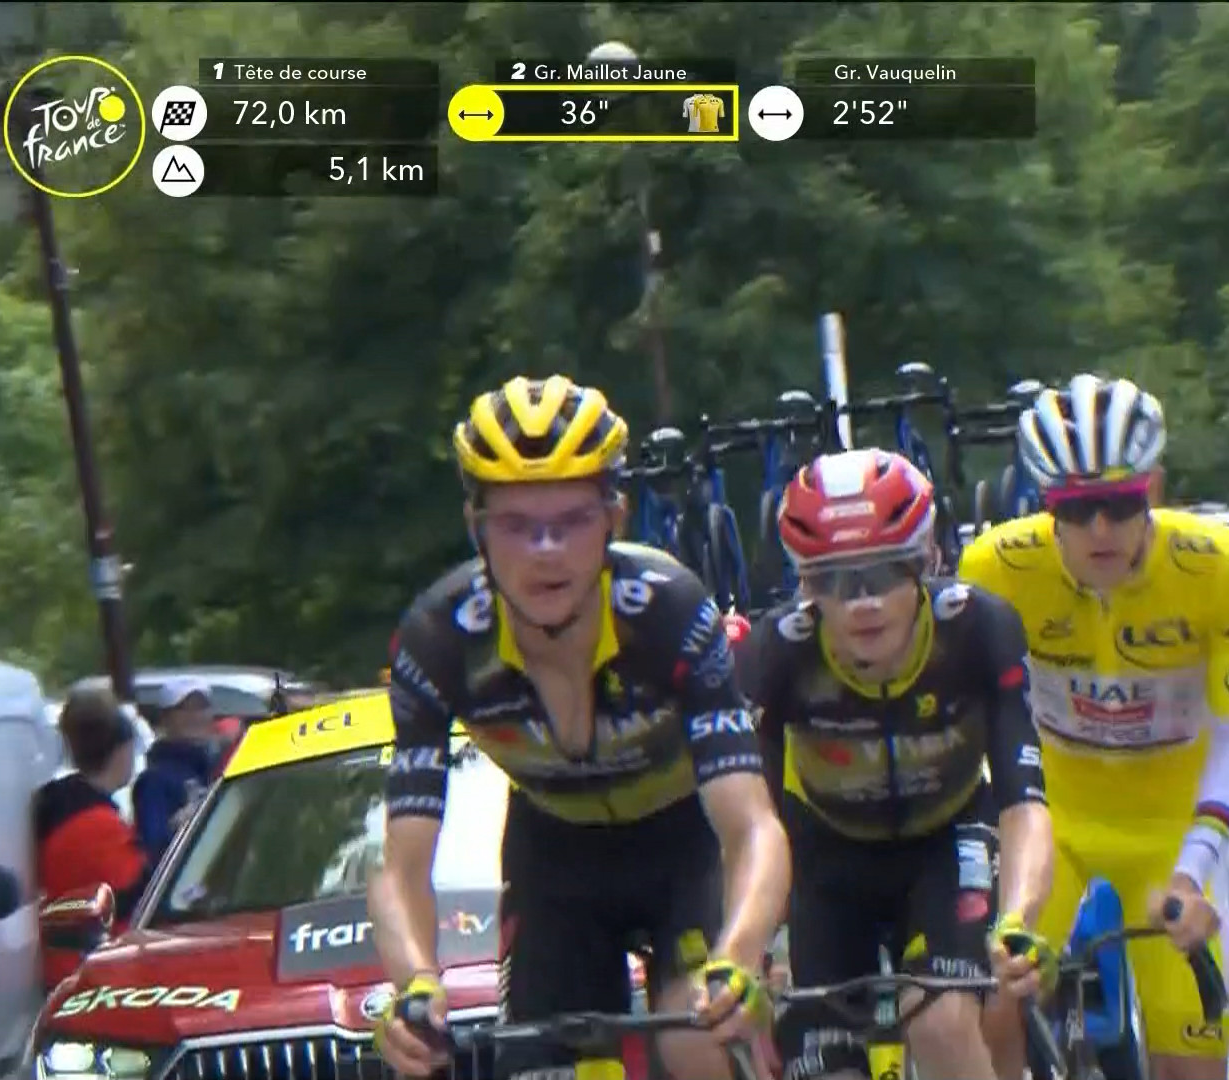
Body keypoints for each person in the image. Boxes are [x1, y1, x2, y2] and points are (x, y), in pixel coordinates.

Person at [369, 375, 790, 1080]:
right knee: (547, 1067)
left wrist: (742, 955)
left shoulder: (670, 612)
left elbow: (752, 828)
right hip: (555, 856)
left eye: (571, 520)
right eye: (516, 525)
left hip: (686, 842)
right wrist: (413, 981)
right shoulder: (438, 640)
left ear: (614, 520)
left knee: (699, 1035)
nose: (546, 549)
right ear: (476, 527)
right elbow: (401, 865)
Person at [958, 374, 1229, 1080]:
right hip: (1052, 822)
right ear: (1045, 502)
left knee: (1192, 1063)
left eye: (1121, 505)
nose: (1100, 529)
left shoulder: (1219, 567)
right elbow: (976, 723)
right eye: (1077, 508)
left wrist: (1195, 868)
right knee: (994, 1006)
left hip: (1171, 830)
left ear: (1154, 488)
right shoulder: (995, 568)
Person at [747, 449, 1054, 1080]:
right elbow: (752, 825)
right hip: (827, 860)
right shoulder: (776, 652)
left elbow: (1023, 800)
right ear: (805, 585)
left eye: (886, 572)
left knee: (942, 1025)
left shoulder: (978, 627)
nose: (863, 602)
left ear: (926, 561)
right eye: (834, 580)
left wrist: (1019, 917)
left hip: (946, 841)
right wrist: (750, 949)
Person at [35, 688, 150, 986]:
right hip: (95, 974)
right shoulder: (99, 827)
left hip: (68, 968)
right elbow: (139, 898)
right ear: (121, 750)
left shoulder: (62, 809)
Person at [131, 677, 218, 861]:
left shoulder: (219, 766)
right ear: (165, 718)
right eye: (184, 709)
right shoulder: (154, 781)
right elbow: (154, 849)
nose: (195, 716)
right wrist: (181, 824)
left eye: (201, 707)